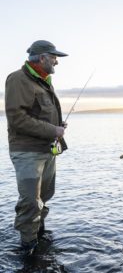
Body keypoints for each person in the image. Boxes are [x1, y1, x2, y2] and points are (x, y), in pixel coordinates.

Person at [5, 40, 68, 254]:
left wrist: (57, 126)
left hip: (47, 150)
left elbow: (39, 113)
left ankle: (39, 233)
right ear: (42, 58)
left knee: (45, 195)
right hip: (27, 152)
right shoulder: (18, 79)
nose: (56, 62)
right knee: (31, 201)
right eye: (53, 57)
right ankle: (28, 247)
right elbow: (17, 119)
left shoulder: (44, 81)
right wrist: (53, 130)